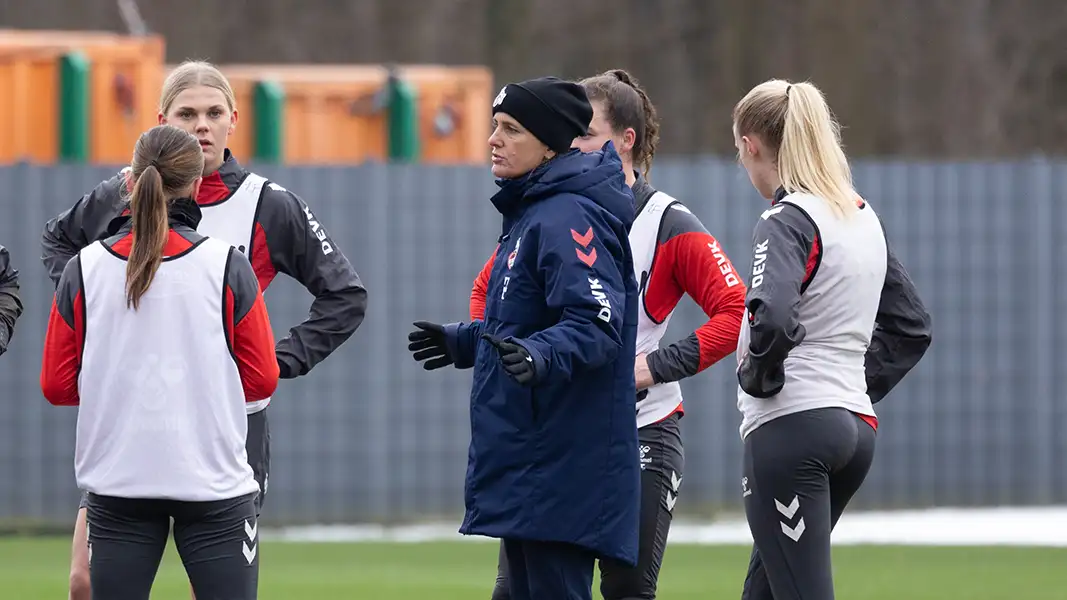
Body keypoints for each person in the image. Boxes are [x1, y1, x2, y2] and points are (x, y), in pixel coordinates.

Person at [40, 60, 368, 600]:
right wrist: (90, 319)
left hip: (227, 429)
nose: (202, 126)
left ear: (234, 119)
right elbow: (59, 244)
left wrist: (279, 359)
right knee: (83, 582)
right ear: (160, 121)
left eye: (214, 113)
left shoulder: (268, 203)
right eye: (187, 114)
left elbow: (345, 295)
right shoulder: (122, 190)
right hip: (128, 429)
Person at [471, 69, 747, 600]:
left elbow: (736, 310)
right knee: (519, 588)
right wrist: (509, 354)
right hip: (562, 432)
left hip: (641, 429)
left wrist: (653, 367)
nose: (571, 145)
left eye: (586, 134)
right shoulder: (549, 212)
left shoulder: (669, 223)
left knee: (625, 588)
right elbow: (487, 288)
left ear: (627, 141)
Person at [407, 76, 641, 600]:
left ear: (551, 144)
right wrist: (465, 341)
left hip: (560, 465)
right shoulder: (535, 212)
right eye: (495, 126)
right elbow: (523, 323)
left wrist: (539, 354)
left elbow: (595, 324)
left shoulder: (570, 214)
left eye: (511, 129)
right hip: (531, 463)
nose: (493, 138)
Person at [40, 124, 279, 600]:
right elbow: (261, 379)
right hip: (214, 486)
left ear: (129, 183)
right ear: (196, 186)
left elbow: (57, 386)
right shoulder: (228, 265)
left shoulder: (82, 267)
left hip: (118, 485)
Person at [731, 79, 932, 600]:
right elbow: (912, 327)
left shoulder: (785, 218)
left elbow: (770, 316)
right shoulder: (861, 218)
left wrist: (760, 376)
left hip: (790, 431)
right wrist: (848, 388)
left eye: (738, 150)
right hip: (853, 430)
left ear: (752, 144)